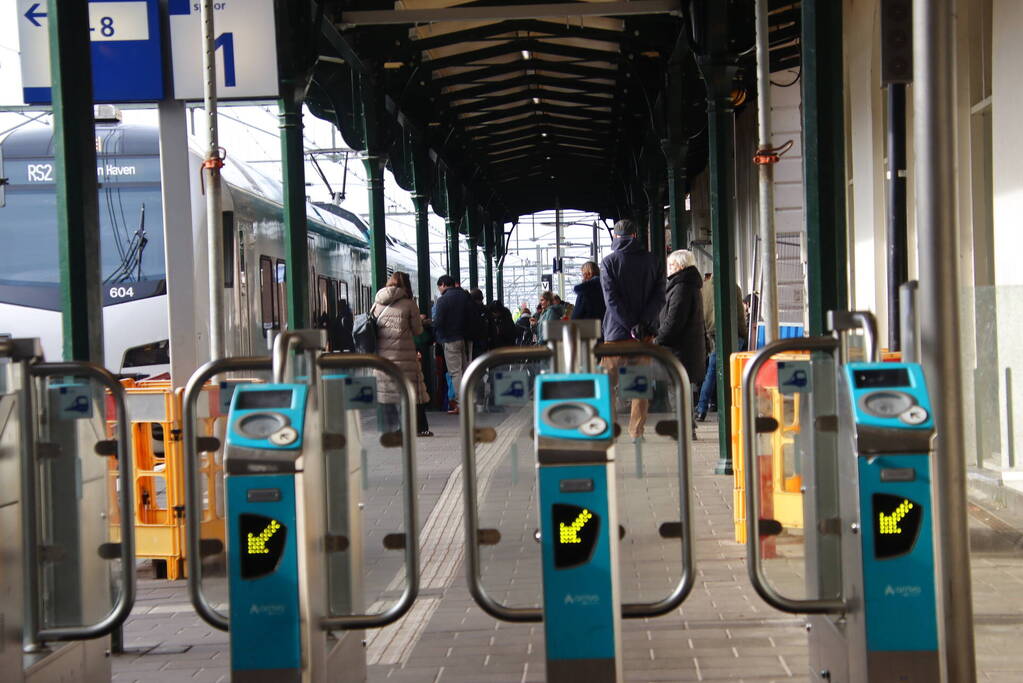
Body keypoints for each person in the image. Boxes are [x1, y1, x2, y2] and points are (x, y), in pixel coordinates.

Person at [600, 218, 666, 439]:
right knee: (639, 385)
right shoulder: (653, 261)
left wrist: (630, 325)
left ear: (615, 237)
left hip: (616, 335)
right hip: (643, 336)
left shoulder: (609, 263)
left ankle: (608, 430)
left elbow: (612, 300)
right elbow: (659, 296)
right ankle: (636, 433)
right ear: (636, 236)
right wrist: (643, 323)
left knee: (606, 384)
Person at [371, 272, 432, 436]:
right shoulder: (409, 304)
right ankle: (417, 427)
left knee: (388, 392)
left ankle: (391, 427)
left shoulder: (378, 302)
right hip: (404, 354)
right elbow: (417, 330)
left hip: (383, 356)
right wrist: (421, 319)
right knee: (411, 391)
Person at [655, 251, 706, 437]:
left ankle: (684, 430)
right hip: (685, 348)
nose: (668, 268)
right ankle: (687, 426)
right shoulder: (687, 285)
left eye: (671, 265)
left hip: (679, 349)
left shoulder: (681, 287)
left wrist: (657, 339)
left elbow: (673, 321)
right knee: (681, 389)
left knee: (677, 389)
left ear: (680, 266)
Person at [696, 274, 745, 421]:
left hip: (712, 334)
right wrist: (744, 333)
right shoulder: (734, 287)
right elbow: (739, 314)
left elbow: (702, 313)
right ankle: (731, 406)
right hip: (732, 333)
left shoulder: (703, 289)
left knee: (711, 372)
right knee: (733, 371)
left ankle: (701, 409)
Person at [432, 274, 473, 414]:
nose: (439, 290)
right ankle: (469, 401)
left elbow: (438, 322)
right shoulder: (465, 297)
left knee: (455, 373)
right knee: (465, 371)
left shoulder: (443, 300)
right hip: (465, 339)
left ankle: (462, 404)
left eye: (439, 287)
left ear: (443, 284)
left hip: (450, 340)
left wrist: (429, 325)